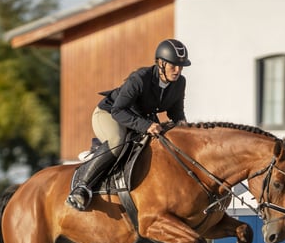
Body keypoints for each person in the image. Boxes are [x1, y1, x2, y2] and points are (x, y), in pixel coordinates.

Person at [66, 38, 192, 211]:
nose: (178, 70)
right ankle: (81, 188)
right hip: (109, 114)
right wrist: (147, 126)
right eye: (173, 66)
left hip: (138, 117)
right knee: (118, 141)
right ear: (161, 63)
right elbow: (118, 111)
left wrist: (184, 128)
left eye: (181, 66)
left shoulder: (180, 83)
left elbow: (176, 112)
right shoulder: (140, 79)